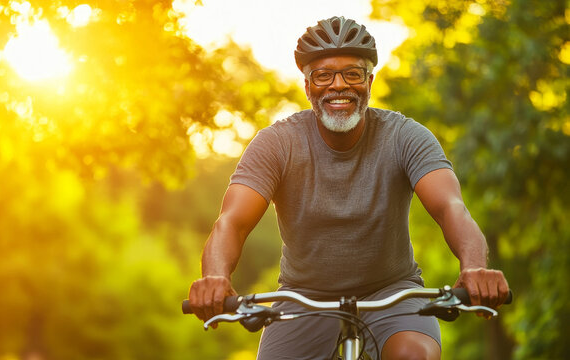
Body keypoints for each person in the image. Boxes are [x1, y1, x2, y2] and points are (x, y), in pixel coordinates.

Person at [188, 16, 510, 360]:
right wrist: (215, 277)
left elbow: (451, 208)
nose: (338, 85)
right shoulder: (276, 144)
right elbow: (231, 222)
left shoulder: (405, 136)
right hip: (304, 296)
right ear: (308, 86)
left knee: (413, 356)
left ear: (369, 81)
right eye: (324, 75)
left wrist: (474, 267)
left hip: (392, 291)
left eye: (352, 74)